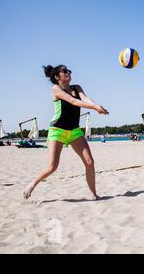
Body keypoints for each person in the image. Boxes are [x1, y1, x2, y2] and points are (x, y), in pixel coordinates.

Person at [23, 65, 109, 200]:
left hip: (74, 131)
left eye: (69, 70)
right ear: (57, 77)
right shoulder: (56, 89)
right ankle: (32, 184)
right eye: (64, 71)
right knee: (52, 167)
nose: (68, 72)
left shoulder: (77, 87)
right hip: (57, 131)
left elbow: (85, 99)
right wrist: (94, 107)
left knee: (89, 162)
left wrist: (96, 105)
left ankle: (93, 194)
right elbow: (74, 101)